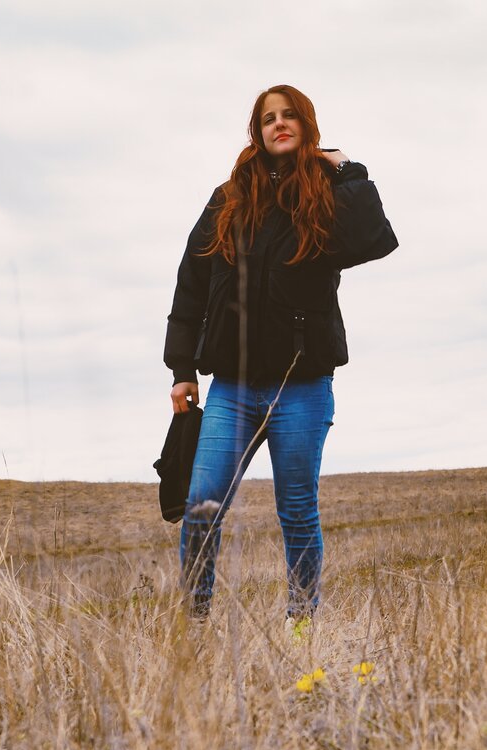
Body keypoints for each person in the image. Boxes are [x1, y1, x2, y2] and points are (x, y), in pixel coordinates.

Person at [164, 84, 398, 626]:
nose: (279, 124)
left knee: (296, 511)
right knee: (201, 506)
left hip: (302, 386)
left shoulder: (327, 197)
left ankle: (301, 624)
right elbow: (191, 283)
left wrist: (348, 169)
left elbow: (376, 239)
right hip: (233, 387)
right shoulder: (228, 199)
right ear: (257, 130)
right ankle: (195, 627)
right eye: (268, 118)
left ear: (307, 125)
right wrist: (182, 370)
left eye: (289, 115)